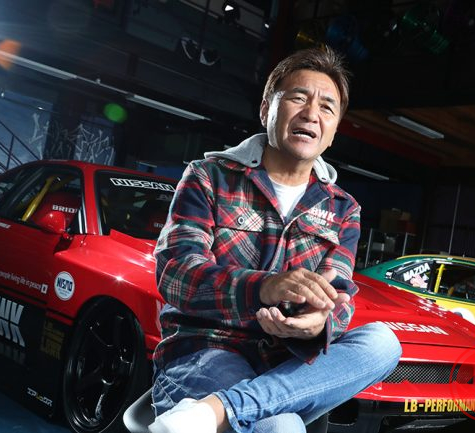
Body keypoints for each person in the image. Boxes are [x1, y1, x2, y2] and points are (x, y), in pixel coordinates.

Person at [148, 46, 401, 433]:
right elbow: (177, 275)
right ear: (267, 108)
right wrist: (263, 288)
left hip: (286, 362)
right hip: (205, 350)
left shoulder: (343, 208)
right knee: (282, 426)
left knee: (384, 343)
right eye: (298, 98)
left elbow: (338, 298)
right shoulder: (208, 177)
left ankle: (218, 410)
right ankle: (233, 407)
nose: (311, 114)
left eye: (327, 107)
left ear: (333, 132)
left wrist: (318, 323)